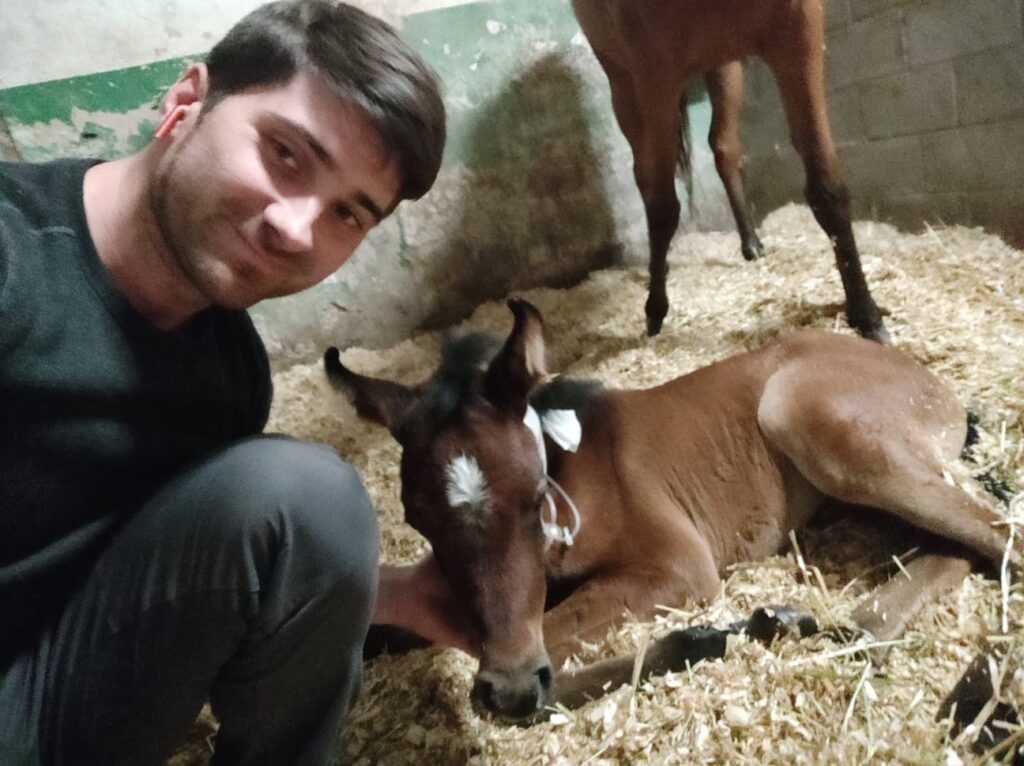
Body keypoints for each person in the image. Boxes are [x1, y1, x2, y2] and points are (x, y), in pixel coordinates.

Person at [0, 1, 472, 764]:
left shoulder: (229, 378)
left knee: (311, 501)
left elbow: (148, 577)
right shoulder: (16, 264)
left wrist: (387, 593)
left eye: (348, 214)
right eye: (286, 153)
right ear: (186, 102)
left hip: (42, 697)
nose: (296, 229)